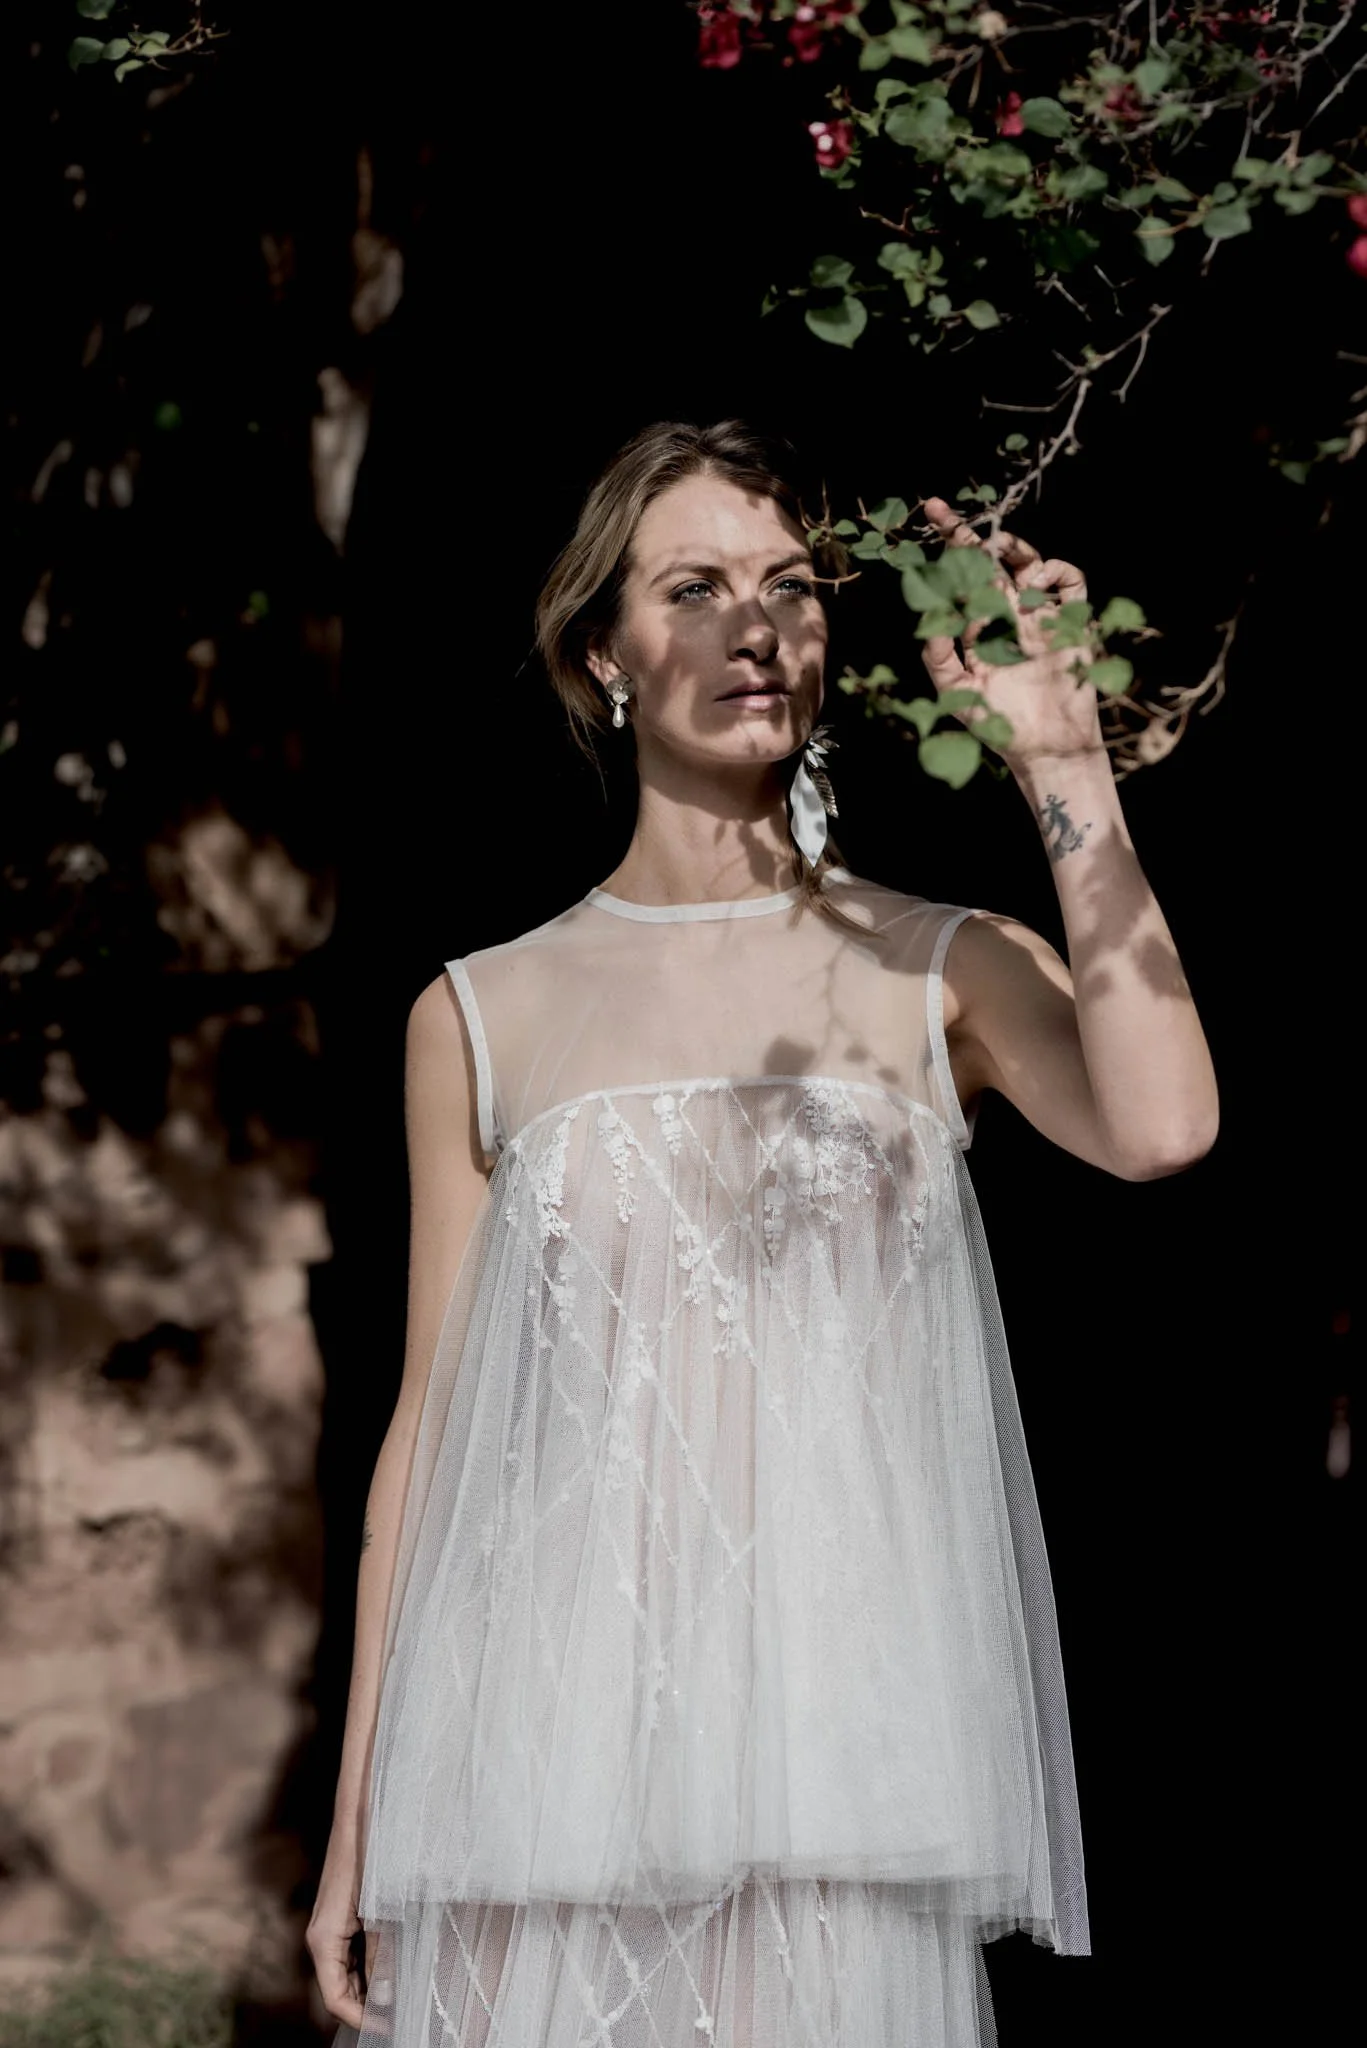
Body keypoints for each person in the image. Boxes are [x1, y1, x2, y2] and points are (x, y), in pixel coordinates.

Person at [308, 420, 1218, 2046]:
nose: (754, 624)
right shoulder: (477, 1010)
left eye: (789, 586)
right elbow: (428, 1436)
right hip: (540, 1750)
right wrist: (362, 1814)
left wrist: (1062, 765)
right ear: (603, 653)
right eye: (696, 586)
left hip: (834, 1754)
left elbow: (1161, 1131)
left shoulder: (938, 960)